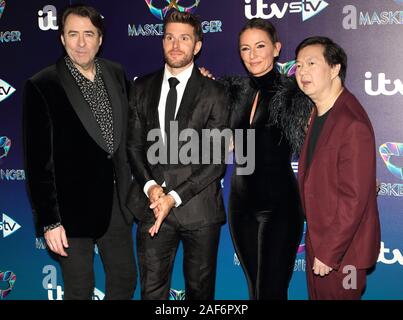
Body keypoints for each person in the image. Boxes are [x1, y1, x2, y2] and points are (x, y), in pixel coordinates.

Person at [23, 4, 136, 300]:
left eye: (89, 34)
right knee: (79, 291)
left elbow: (137, 123)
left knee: (125, 281)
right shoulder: (42, 85)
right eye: (73, 34)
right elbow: (37, 163)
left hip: (117, 205)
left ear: (100, 39)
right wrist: (50, 221)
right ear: (62, 38)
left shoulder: (116, 73)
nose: (81, 42)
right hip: (70, 212)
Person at [126, 11, 229, 300]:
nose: (175, 44)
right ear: (162, 42)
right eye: (169, 37)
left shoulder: (215, 93)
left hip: (199, 209)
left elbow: (215, 162)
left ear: (197, 46)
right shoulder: (141, 87)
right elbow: (133, 146)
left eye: (184, 38)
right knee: (152, 292)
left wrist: (174, 197)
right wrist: (151, 188)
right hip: (152, 207)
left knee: (200, 294)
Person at [223, 18, 312, 300]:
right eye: (245, 48)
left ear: (276, 48)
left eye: (260, 46)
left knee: (271, 292)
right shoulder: (234, 92)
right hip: (240, 205)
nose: (252, 55)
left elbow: (321, 140)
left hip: (280, 206)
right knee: (255, 292)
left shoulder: (294, 94)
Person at [295, 36, 381, 300]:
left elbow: (353, 199)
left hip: (343, 253)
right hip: (320, 243)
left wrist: (328, 251)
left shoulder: (350, 122)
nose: (303, 71)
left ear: (334, 69)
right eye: (298, 65)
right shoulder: (320, 112)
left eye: (311, 63)